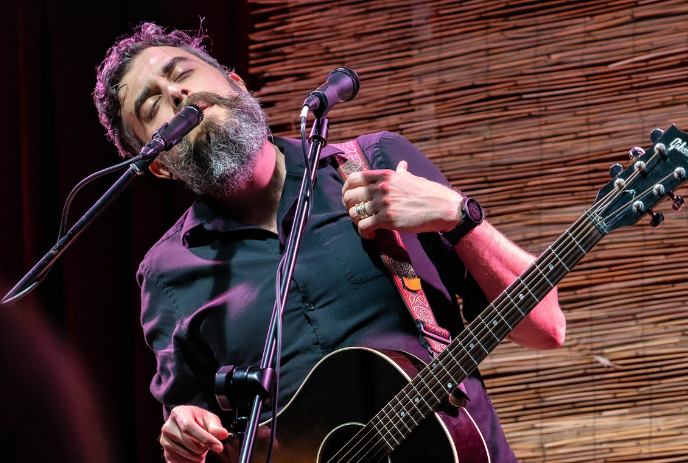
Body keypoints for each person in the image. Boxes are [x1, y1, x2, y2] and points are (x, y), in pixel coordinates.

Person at [94, 23, 565, 463]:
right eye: (153, 107)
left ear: (235, 83)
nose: (177, 95)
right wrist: (183, 431)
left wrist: (457, 214)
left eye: (182, 75)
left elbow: (545, 329)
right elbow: (196, 433)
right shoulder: (168, 272)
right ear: (158, 164)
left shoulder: (376, 165)